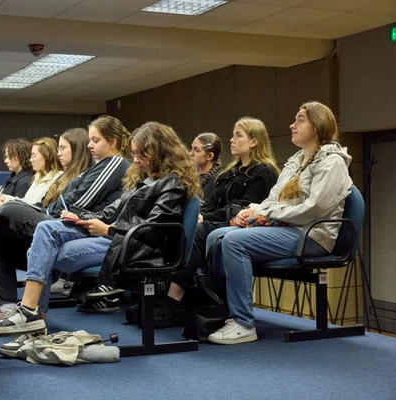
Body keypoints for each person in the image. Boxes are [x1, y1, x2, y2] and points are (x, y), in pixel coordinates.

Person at [0, 121, 201, 338]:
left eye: (142, 155)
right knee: (46, 229)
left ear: (161, 153)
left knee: (43, 251)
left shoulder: (173, 184)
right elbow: (109, 212)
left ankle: (33, 318)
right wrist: (82, 218)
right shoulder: (142, 178)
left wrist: (108, 230)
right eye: (135, 154)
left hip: (132, 246)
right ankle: (32, 316)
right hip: (117, 237)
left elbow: (154, 233)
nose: (137, 160)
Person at [206, 101, 352, 345]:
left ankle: (243, 322)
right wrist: (254, 211)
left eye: (300, 120)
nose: (292, 125)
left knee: (233, 241)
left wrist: (270, 215)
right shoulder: (297, 160)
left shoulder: (332, 162)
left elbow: (315, 208)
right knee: (217, 236)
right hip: (288, 228)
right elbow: (274, 198)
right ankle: (220, 312)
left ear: (317, 126)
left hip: (312, 236)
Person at [0, 115, 130, 329]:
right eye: (89, 140)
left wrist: (50, 211)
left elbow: (82, 201)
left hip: (80, 228)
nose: (90, 144)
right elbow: (60, 203)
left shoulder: (115, 163)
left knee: (9, 211)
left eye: (96, 140)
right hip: (63, 222)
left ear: (114, 141)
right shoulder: (95, 168)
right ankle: (7, 306)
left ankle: (31, 313)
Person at [132, 117, 279, 328]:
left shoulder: (265, 172)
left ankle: (175, 297)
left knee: (198, 231)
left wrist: (205, 217)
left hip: (244, 226)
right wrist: (199, 213)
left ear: (254, 141)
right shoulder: (229, 172)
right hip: (224, 223)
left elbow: (243, 207)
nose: (232, 140)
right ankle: (166, 293)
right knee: (187, 226)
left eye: (238, 135)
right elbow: (212, 203)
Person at [0, 137, 62, 207]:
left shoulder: (58, 178)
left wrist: (7, 204)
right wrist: (6, 199)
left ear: (47, 156)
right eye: (31, 156)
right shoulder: (37, 177)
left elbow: (35, 207)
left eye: (34, 156)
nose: (31, 160)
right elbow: (26, 201)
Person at [190, 132, 222, 201]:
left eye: (196, 150)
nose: (190, 153)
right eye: (191, 148)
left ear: (209, 156)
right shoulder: (191, 175)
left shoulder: (216, 179)